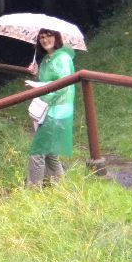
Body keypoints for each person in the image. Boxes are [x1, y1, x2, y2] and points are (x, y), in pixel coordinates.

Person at [25, 29, 75, 186]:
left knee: (38, 152)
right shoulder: (47, 58)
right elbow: (48, 80)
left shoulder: (63, 58)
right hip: (47, 109)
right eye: (41, 38)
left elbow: (63, 85)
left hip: (58, 111)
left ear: (57, 37)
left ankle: (33, 191)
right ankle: (61, 186)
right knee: (50, 153)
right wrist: (36, 73)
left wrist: (38, 85)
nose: (45, 40)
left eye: (48, 36)